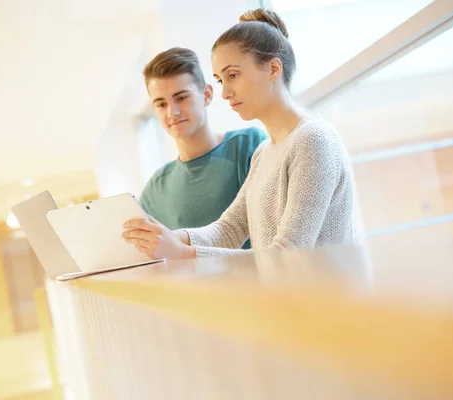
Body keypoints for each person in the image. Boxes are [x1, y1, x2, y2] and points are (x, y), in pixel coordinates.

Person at [123, 9, 364, 259]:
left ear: (273, 68)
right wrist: (169, 237)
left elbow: (287, 254)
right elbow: (229, 229)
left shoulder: (313, 139)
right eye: (220, 80)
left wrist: (184, 253)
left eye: (233, 76)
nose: (225, 92)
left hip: (327, 298)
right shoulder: (263, 153)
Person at [137, 47, 267, 249]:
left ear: (206, 94)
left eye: (181, 97)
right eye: (161, 104)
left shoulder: (249, 145)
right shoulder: (155, 189)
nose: (173, 112)